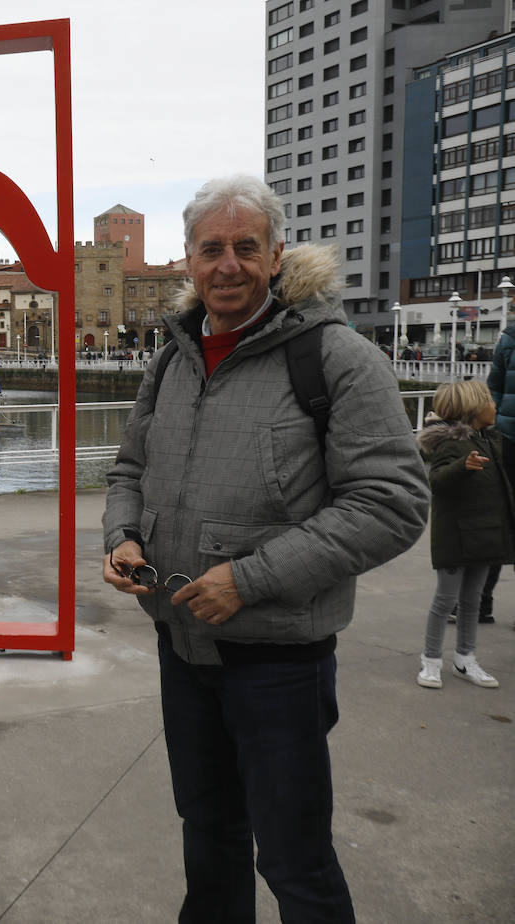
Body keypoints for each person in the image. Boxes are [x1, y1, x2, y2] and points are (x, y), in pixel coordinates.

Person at [102, 175, 428, 923]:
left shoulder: (337, 357)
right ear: (187, 259)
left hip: (279, 661)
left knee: (294, 859)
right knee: (209, 836)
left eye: (245, 248)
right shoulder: (172, 359)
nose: (228, 266)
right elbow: (129, 469)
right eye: (211, 249)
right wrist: (123, 535)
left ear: (276, 255)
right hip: (182, 647)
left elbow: (393, 502)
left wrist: (248, 581)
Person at [416, 381, 512, 688]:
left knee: (472, 600)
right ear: (472, 409)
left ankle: (465, 659)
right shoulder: (452, 444)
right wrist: (463, 466)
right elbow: (439, 481)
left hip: (486, 533)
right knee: (445, 600)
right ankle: (431, 660)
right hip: (456, 536)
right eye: (490, 402)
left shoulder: (493, 440)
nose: (495, 406)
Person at [486, 317, 515, 627]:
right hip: (506, 438)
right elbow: (494, 387)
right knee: (497, 517)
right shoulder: (509, 339)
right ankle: (480, 601)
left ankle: (479, 601)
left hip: (505, 436)